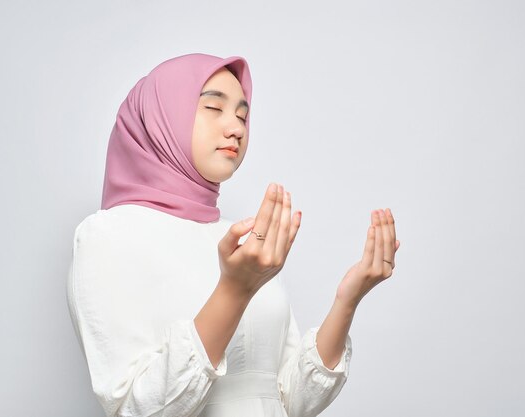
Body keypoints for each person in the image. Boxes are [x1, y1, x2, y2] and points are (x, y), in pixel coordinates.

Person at [66, 53, 400, 417]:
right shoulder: (109, 237)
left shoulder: (238, 240)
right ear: (161, 117)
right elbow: (139, 409)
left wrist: (346, 301)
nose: (237, 128)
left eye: (243, 115)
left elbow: (290, 402)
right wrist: (234, 290)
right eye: (214, 108)